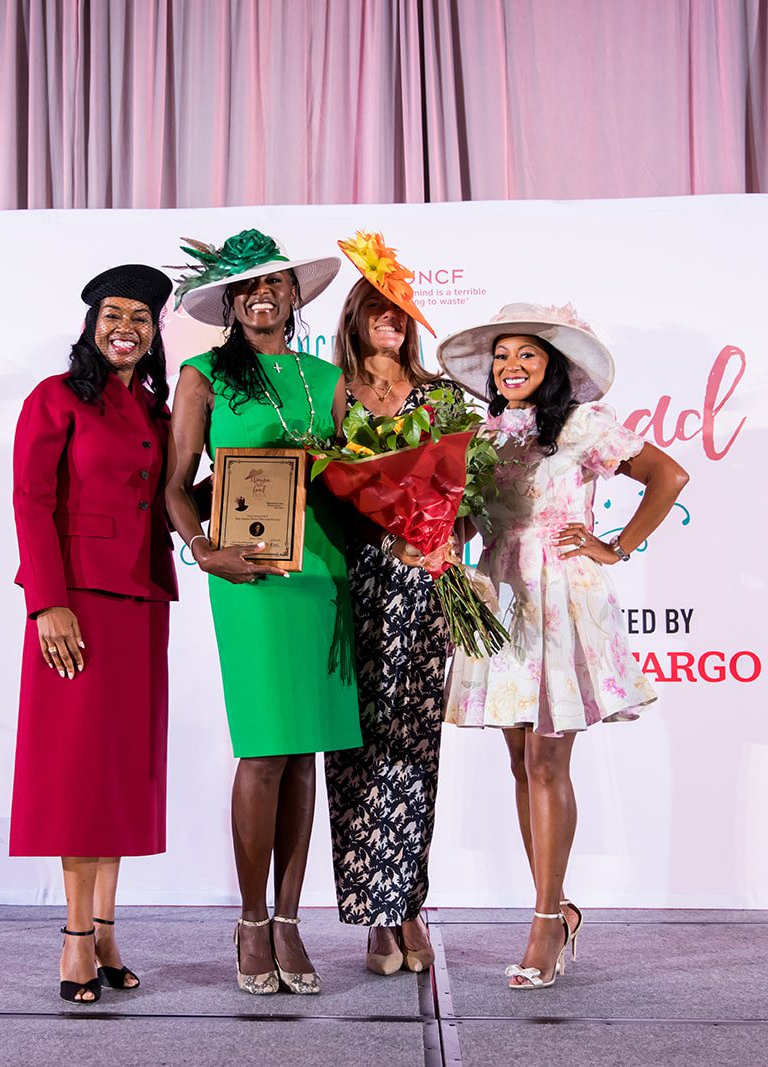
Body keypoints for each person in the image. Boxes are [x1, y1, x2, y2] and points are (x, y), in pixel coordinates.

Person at [438, 303, 689, 990]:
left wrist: (617, 544)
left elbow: (669, 476)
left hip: (559, 596)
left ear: (553, 368)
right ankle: (558, 905)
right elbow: (463, 515)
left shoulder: (584, 427)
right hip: (501, 594)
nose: (511, 366)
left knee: (548, 758)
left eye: (527, 355)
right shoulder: (480, 432)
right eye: (502, 356)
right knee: (522, 761)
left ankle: (546, 922)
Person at [163, 229, 361, 996]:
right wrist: (202, 548)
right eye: (247, 288)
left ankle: (288, 918)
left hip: (323, 572)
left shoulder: (325, 376)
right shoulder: (204, 375)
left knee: (306, 750)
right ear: (229, 303)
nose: (262, 296)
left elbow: (353, 474)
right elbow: (176, 483)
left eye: (274, 283)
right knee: (265, 748)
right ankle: (250, 920)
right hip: (248, 575)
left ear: (293, 293)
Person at [9, 264, 178, 1005]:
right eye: (115, 314)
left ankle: (106, 928)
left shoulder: (151, 407)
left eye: (141, 318)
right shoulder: (54, 399)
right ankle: (75, 938)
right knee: (79, 774)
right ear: (90, 323)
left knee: (119, 773)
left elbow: (167, 497)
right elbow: (29, 500)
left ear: (153, 333)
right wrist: (48, 603)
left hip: (141, 604)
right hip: (77, 605)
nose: (127, 328)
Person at [324, 232, 454, 976]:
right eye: (377, 308)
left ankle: (409, 904)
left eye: (399, 309)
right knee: (356, 746)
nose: (389, 319)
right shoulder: (336, 390)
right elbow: (322, 488)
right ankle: (375, 917)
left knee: (414, 750)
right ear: (354, 316)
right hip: (356, 583)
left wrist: (441, 534)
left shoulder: (439, 395)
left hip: (425, 584)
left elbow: (466, 493)